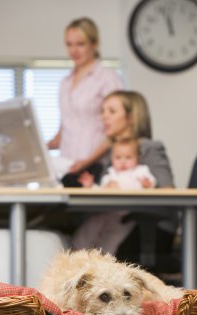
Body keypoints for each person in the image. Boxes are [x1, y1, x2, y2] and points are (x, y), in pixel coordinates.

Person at [72, 90, 179, 269]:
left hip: (146, 224)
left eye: (111, 112)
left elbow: (168, 190)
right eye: (103, 111)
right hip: (112, 218)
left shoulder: (150, 148)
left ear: (131, 118)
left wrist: (142, 187)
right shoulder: (109, 154)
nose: (104, 117)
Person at [47, 17, 124, 184]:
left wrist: (88, 161)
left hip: (96, 166)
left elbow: (119, 127)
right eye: (69, 44)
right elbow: (66, 125)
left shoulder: (107, 78)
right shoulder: (65, 82)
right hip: (67, 167)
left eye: (80, 44)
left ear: (94, 44)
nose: (74, 50)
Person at [72, 138, 157, 254]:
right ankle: (77, 251)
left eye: (128, 157)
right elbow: (101, 191)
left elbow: (151, 184)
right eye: (118, 158)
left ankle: (104, 259)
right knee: (89, 229)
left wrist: (147, 184)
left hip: (126, 216)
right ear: (112, 159)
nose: (123, 162)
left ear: (138, 158)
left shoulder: (140, 172)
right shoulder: (111, 174)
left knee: (111, 239)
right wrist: (90, 186)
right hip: (106, 212)